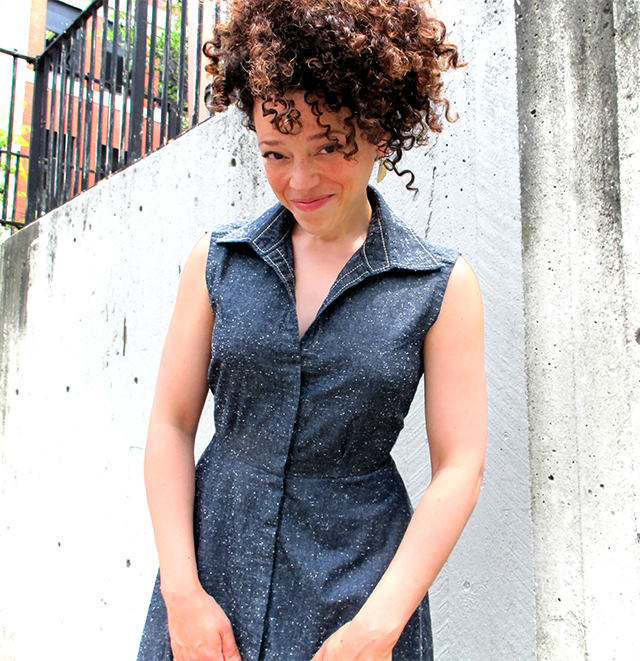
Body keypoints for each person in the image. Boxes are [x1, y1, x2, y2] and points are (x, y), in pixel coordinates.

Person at [137, 1, 487, 660]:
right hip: (211, 578)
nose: (299, 180)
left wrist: (380, 624)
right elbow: (171, 424)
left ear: (379, 129)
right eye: (276, 153)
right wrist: (182, 594)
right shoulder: (216, 263)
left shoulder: (440, 285)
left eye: (328, 147)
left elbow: (460, 466)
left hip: (358, 592)